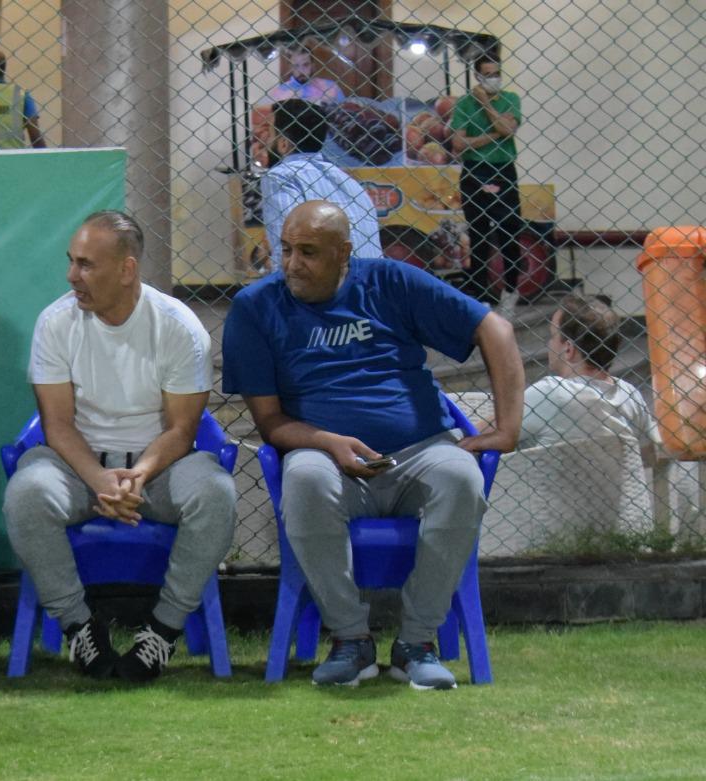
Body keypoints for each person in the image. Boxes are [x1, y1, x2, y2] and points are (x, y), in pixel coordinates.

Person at [222, 201, 523, 690]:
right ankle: (350, 640)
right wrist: (327, 442)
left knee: (460, 477)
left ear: (344, 253)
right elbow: (270, 422)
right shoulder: (256, 308)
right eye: (286, 249)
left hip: (420, 450)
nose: (293, 264)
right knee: (303, 477)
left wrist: (507, 428)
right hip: (326, 457)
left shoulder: (390, 281)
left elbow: (497, 329)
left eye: (308, 252)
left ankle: (416, 644)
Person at [3, 211, 236, 682]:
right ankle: (79, 626)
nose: (71, 276)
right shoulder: (55, 323)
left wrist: (138, 476)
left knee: (216, 494)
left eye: (86, 265)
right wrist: (100, 481)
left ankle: (162, 631)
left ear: (127, 269)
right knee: (26, 494)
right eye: (71, 261)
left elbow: (182, 430)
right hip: (77, 467)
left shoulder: (178, 326)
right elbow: (57, 425)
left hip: (160, 470)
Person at [521, 294, 660, 526]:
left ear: (568, 348)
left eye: (552, 336)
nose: (549, 345)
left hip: (560, 527)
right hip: (624, 524)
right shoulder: (631, 395)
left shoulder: (549, 393)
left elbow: (483, 433)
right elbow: (649, 452)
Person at [261, 99, 382, 270]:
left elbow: (286, 249)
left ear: (283, 144)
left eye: (270, 132)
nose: (264, 139)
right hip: (370, 279)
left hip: (326, 283)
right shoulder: (346, 179)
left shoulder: (281, 176)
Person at [450, 53, 526, 312]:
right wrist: (495, 133)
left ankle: (510, 291)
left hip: (503, 169)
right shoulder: (464, 103)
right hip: (474, 171)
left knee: (509, 231)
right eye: (488, 75)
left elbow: (508, 129)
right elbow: (458, 144)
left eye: (497, 74)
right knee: (478, 234)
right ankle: (480, 295)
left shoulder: (511, 99)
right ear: (477, 77)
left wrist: (485, 104)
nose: (494, 79)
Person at [267, 47, 344, 105]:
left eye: (305, 65)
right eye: (296, 66)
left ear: (312, 65)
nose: (301, 71)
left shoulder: (331, 87)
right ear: (290, 67)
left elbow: (345, 111)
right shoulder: (279, 93)